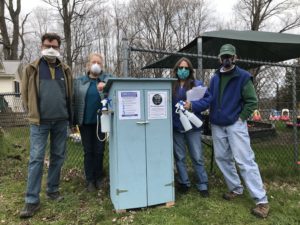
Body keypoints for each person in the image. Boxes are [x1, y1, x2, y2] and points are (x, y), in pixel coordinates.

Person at [209, 44, 269, 218]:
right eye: (224, 56)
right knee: (222, 158)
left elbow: (252, 101)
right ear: (220, 58)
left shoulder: (243, 77)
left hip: (235, 124)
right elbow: (210, 97)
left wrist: (241, 118)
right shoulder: (215, 77)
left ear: (235, 58)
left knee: (244, 161)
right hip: (217, 124)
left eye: (230, 56)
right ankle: (236, 188)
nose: (226, 59)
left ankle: (261, 200)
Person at [20, 33, 73, 218]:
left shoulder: (65, 69)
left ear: (59, 48)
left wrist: (70, 118)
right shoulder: (31, 68)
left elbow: (69, 95)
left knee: (58, 157)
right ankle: (31, 200)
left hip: (60, 121)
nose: (51, 49)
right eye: (47, 45)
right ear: (41, 46)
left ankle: (52, 190)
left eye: (54, 46)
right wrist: (32, 113)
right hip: (39, 123)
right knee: (36, 159)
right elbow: (25, 94)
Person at [172, 57, 211, 197]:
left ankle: (202, 184)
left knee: (197, 156)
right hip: (176, 128)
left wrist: (192, 105)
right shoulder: (171, 85)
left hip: (193, 128)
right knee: (180, 157)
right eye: (180, 68)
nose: (183, 70)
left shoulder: (197, 85)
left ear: (190, 70)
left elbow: (207, 101)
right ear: (176, 70)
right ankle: (184, 182)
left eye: (186, 68)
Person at [73, 53, 112, 192]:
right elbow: (74, 101)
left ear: (102, 66)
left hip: (101, 121)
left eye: (99, 63)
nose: (96, 65)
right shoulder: (79, 81)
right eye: (93, 62)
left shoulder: (108, 79)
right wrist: (73, 121)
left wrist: (105, 86)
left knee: (100, 151)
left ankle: (99, 178)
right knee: (88, 151)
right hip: (85, 122)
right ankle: (89, 180)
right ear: (88, 65)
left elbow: (115, 92)